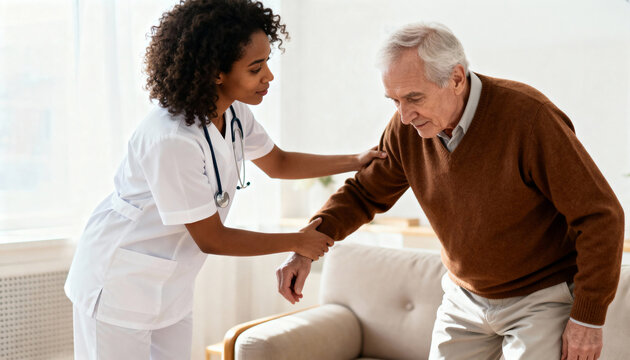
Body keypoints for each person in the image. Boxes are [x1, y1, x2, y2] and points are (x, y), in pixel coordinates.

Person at [276, 23, 624, 360]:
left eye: (414, 98)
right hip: (464, 298)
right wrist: (304, 248)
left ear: (456, 78)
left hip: (540, 296)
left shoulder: (529, 118)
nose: (404, 114)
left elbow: (599, 216)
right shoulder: (405, 128)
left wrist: (587, 317)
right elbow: (363, 194)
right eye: (393, 100)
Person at [63, 0, 384, 358]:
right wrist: (298, 241)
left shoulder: (232, 112)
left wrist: (356, 160)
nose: (269, 77)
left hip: (171, 285)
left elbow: (278, 162)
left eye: (267, 63)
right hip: (118, 284)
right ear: (216, 72)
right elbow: (212, 238)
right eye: (255, 67)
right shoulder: (171, 138)